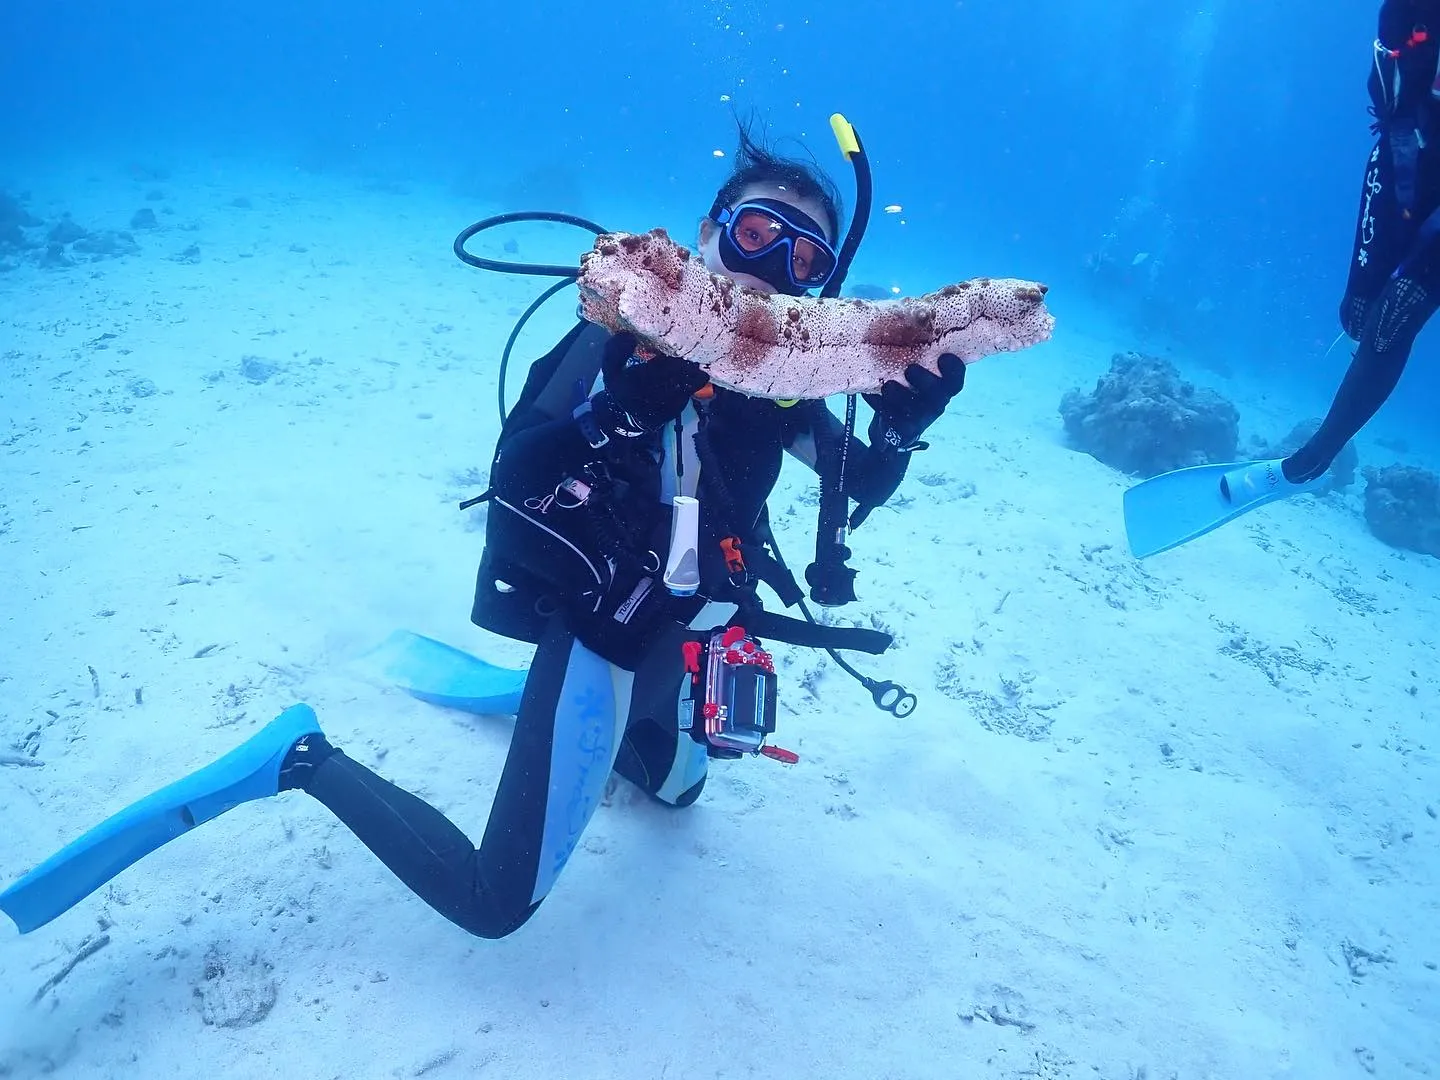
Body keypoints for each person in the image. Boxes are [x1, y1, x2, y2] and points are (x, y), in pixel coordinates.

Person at [0, 123, 967, 940]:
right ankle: (301, 757)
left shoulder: (780, 382)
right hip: (603, 624)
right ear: (711, 235)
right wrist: (626, 408)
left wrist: (899, 431)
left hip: (685, 625)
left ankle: (546, 712)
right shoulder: (611, 339)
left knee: (677, 795)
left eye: (804, 257)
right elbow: (516, 478)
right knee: (492, 903)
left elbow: (859, 479)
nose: (776, 272)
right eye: (758, 234)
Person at [1122, 1, 1440, 560]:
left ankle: (1308, 462)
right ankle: (1309, 462)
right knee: (1373, 312)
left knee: (1398, 308)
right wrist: (1360, 280)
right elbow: (1389, 166)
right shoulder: (1397, 66)